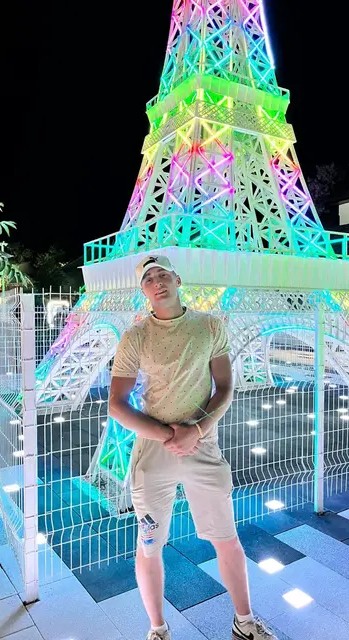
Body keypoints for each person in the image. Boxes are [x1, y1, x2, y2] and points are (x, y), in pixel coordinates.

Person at [109, 255, 278, 640]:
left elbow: (225, 387)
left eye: (163, 274)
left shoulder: (210, 326)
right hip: (154, 451)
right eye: (149, 279)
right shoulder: (135, 336)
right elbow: (116, 405)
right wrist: (168, 435)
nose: (157, 282)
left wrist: (197, 429)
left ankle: (244, 622)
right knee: (149, 546)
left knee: (226, 538)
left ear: (177, 279)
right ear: (143, 290)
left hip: (202, 445)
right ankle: (157, 629)